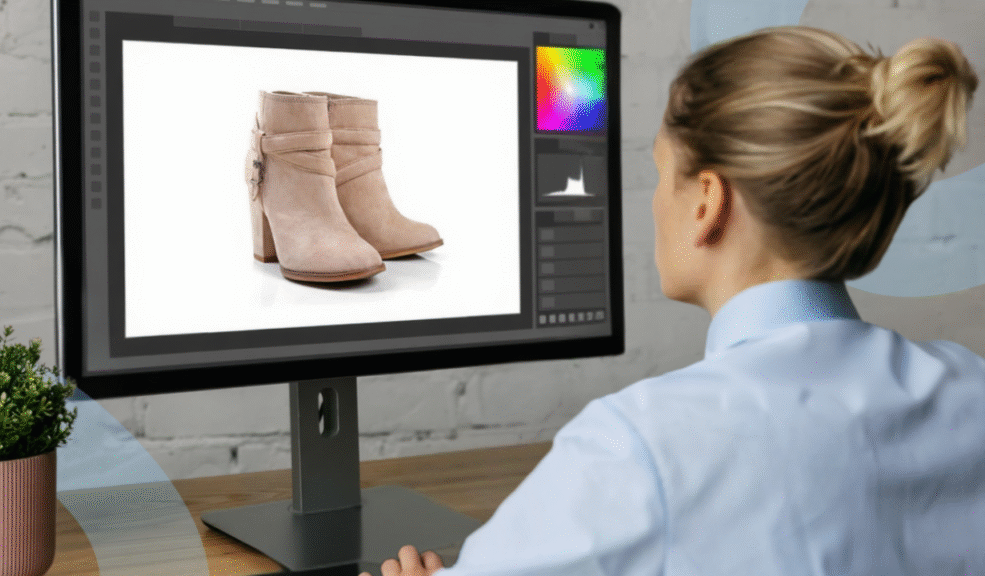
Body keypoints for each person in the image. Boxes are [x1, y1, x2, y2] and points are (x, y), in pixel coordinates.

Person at [363, 25, 984, 576]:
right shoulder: (971, 391)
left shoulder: (641, 449)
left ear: (708, 202)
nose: (656, 202)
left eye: (663, 173)